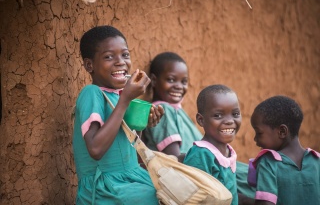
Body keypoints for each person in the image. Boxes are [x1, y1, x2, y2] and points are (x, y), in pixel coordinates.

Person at [72, 25, 164, 205]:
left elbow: (127, 149)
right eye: (108, 56)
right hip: (105, 188)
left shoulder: (121, 96)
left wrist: (142, 124)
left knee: (173, 192)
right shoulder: (92, 93)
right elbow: (96, 149)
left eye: (125, 55)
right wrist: (125, 100)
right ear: (89, 65)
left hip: (132, 177)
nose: (120, 61)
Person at [250, 95, 320, 205]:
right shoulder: (317, 160)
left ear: (282, 131)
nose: (255, 139)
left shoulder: (269, 162)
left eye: (259, 133)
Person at [183, 84, 243, 205]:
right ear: (201, 120)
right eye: (218, 115)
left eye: (235, 114)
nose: (229, 121)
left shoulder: (227, 152)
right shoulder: (201, 154)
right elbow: (193, 198)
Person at [142, 52, 203, 162]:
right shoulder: (161, 111)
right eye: (171, 80)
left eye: (184, 81)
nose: (179, 86)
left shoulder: (177, 111)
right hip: (186, 172)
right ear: (154, 80)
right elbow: (174, 159)